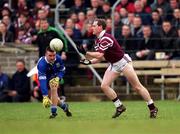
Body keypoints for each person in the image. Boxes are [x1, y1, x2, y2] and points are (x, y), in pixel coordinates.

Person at [79, 18, 158, 118]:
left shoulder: (105, 38)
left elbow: (99, 55)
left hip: (123, 62)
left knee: (137, 87)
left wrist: (86, 53)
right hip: (114, 64)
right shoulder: (98, 39)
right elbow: (101, 57)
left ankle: (152, 108)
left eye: (94, 26)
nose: (92, 27)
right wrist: (89, 62)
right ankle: (119, 106)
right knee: (104, 86)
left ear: (100, 27)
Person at [37, 46, 72, 119]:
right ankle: (64, 106)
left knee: (53, 88)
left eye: (54, 55)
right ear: (45, 55)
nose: (52, 57)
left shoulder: (58, 58)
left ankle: (53, 112)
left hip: (54, 76)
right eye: (50, 55)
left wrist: (58, 78)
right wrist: (45, 96)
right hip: (45, 78)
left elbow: (62, 70)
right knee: (55, 99)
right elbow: (42, 81)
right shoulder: (41, 64)